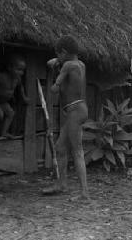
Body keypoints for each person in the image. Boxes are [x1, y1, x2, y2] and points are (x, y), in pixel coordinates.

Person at [42, 35, 89, 199]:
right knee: (61, 148)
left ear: (63, 52)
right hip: (79, 109)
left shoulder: (67, 65)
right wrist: (57, 61)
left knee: (77, 151)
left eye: (58, 54)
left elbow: (55, 89)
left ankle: (84, 193)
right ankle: (62, 184)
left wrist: (54, 72)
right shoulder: (80, 64)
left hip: (75, 111)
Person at [0, 54, 29, 138]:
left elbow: (20, 88)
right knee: (0, 114)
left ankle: (3, 132)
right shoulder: (0, 76)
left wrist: (24, 97)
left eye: (22, 70)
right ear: (9, 67)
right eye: (18, 69)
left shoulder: (17, 79)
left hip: (3, 102)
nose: (21, 73)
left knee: (11, 113)